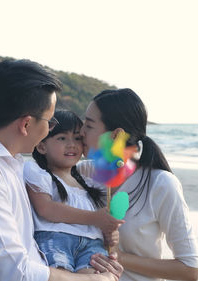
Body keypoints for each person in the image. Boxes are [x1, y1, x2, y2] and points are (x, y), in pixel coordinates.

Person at [0, 59, 122, 281]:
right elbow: (14, 271)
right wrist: (92, 280)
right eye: (50, 120)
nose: (50, 127)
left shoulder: (9, 163)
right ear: (26, 124)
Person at [78, 88, 198, 281]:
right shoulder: (81, 174)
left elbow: (189, 269)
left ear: (117, 136)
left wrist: (119, 256)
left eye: (89, 126)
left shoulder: (161, 184)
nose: (80, 132)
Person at [24, 110, 124, 274]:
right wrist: (95, 218)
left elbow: (101, 227)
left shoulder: (88, 184)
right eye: (62, 138)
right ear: (42, 146)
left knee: (97, 277)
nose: (72, 144)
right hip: (56, 239)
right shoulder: (37, 172)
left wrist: (110, 234)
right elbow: (46, 209)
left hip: (93, 244)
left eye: (77, 138)